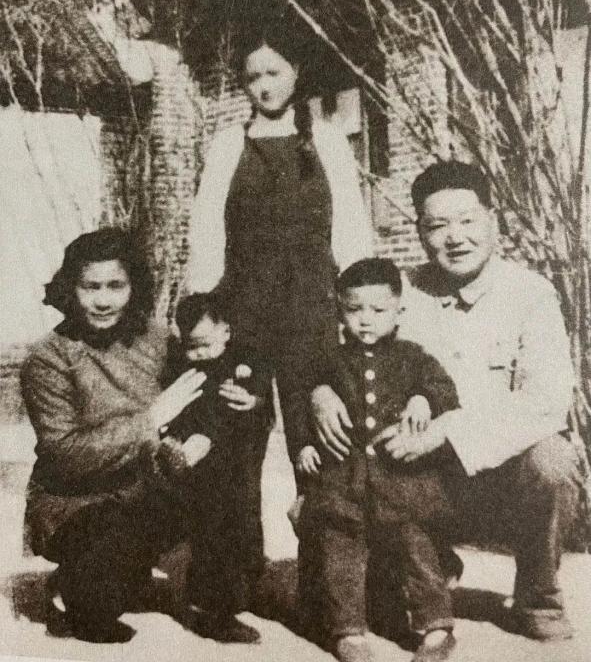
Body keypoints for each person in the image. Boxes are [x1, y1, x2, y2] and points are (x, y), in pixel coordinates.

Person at [311, 160, 580, 645]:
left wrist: (447, 431)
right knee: (322, 510)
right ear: (419, 231)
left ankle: (538, 596)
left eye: (467, 220)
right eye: (437, 225)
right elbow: (340, 350)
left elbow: (546, 402)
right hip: (410, 477)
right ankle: (430, 566)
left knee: (552, 460)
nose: (454, 237)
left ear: (492, 221)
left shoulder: (530, 294)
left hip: (496, 479)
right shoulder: (400, 291)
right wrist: (321, 391)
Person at [184, 22, 374, 627]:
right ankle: (226, 588)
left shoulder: (327, 141)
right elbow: (206, 231)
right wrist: (202, 315)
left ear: (296, 73)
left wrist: (357, 307)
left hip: (311, 315)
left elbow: (351, 231)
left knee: (315, 445)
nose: (264, 86)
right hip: (242, 314)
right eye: (252, 77)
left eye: (274, 72)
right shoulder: (227, 145)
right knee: (235, 443)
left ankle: (327, 594)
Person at [20, 228, 253, 644]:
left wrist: (244, 396)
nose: (103, 300)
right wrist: (150, 421)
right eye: (90, 287)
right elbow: (64, 455)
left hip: (150, 486)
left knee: (220, 489)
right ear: (70, 288)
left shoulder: (157, 338)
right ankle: (74, 589)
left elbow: (207, 381)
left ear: (134, 287)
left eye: (116, 286)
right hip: (79, 504)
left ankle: (209, 603)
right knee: (103, 588)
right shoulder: (48, 358)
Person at [295, 258, 460, 662]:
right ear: (340, 310)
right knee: (341, 551)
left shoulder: (412, 357)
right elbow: (302, 407)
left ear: (399, 310)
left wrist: (423, 399)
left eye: (378, 309)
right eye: (354, 309)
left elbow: (443, 388)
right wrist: (305, 445)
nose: (365, 319)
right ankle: (347, 630)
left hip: (403, 480)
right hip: (343, 478)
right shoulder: (328, 361)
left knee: (418, 548)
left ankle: (436, 627)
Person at [156, 291, 273, 632]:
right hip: (202, 465)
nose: (200, 354)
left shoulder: (243, 359)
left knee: (245, 522)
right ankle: (208, 603)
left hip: (238, 461)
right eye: (191, 346)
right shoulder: (183, 365)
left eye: (206, 344)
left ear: (226, 331)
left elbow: (262, 398)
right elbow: (174, 406)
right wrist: (176, 435)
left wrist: (253, 400)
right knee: (209, 529)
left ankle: (245, 588)